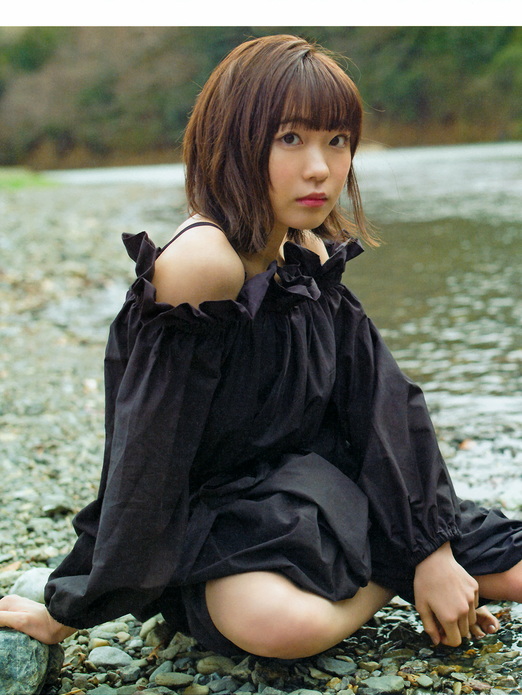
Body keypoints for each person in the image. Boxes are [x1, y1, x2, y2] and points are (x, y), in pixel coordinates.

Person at [1, 34, 522, 660]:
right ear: (233, 140)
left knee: (513, 570)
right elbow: (147, 455)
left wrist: (431, 547)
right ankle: (391, 576)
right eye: (290, 138)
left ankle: (405, 562)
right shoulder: (202, 264)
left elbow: (379, 401)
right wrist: (75, 608)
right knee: (282, 627)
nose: (320, 168)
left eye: (337, 140)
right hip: (224, 523)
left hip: (325, 488)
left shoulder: (307, 250)